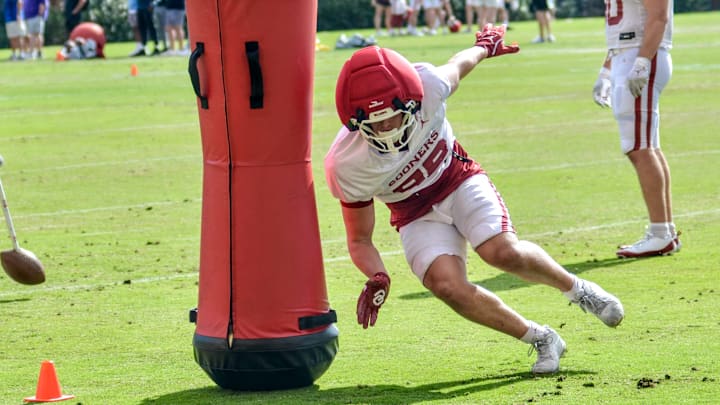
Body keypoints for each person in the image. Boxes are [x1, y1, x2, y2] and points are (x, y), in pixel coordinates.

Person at [325, 24, 625, 375]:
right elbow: (360, 238)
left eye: (393, 117)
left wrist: (483, 45)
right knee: (446, 286)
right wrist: (377, 274)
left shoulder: (429, 86)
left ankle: (579, 290)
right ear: (355, 123)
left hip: (458, 177)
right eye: (376, 124)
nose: (388, 130)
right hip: (414, 213)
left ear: (411, 99)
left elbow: (459, 64)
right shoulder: (346, 164)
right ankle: (541, 338)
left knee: (501, 252)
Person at [592, 0, 679, 258]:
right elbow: (625, 23)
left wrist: (642, 61)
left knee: (638, 147)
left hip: (640, 54)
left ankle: (661, 233)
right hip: (626, 53)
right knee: (645, 145)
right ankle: (663, 231)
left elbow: (659, 16)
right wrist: (606, 70)